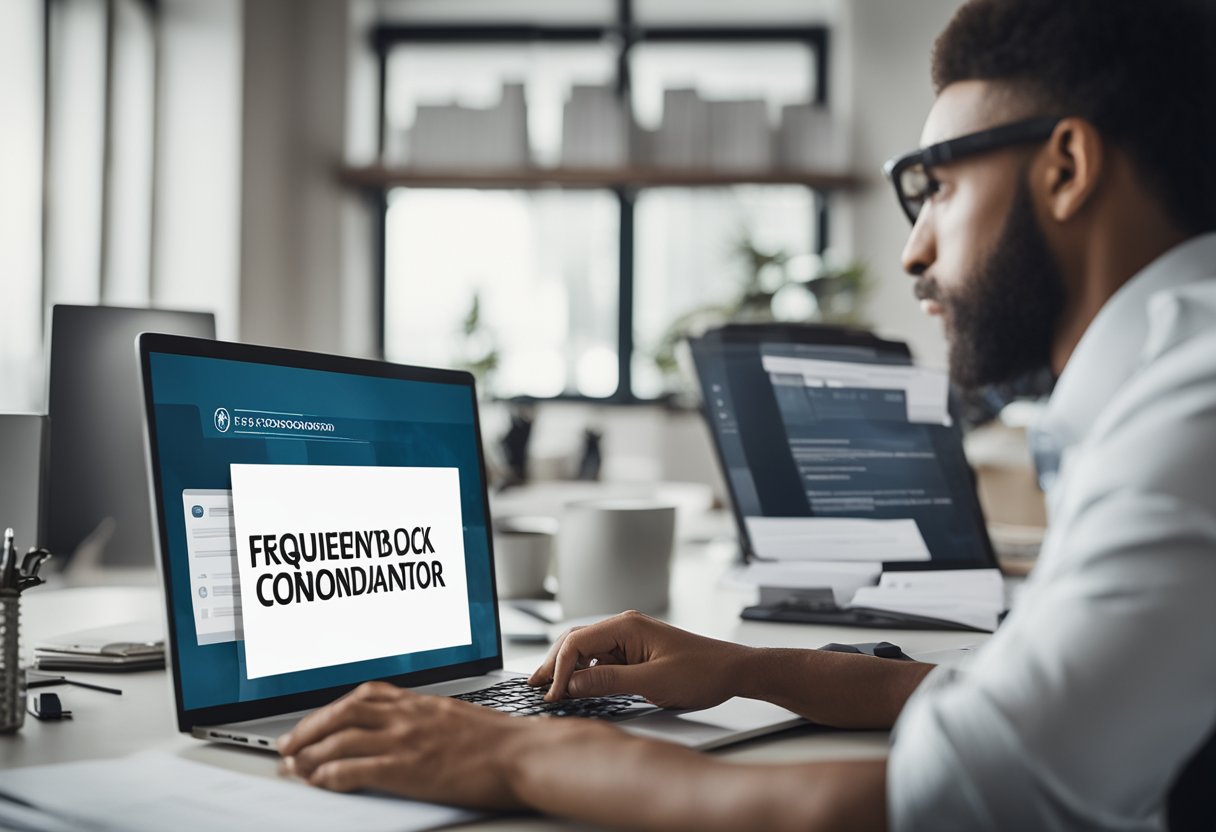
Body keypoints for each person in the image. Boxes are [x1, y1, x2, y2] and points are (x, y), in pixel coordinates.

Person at [278, 0, 1216, 828]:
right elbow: (1028, 702)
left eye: (937, 188)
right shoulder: (1168, 385)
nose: (914, 252)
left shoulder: (1192, 419)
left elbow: (946, 802)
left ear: (1067, 167)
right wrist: (746, 668)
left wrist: (512, 752)